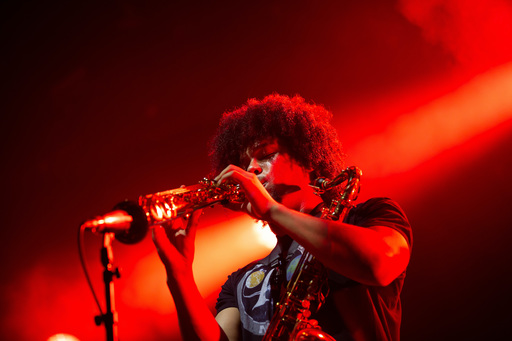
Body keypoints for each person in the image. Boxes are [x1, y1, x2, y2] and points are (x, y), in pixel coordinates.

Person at [152, 94, 412, 341]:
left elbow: (380, 264)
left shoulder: (369, 216)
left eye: (265, 155)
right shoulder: (239, 280)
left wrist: (272, 209)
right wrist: (180, 274)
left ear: (307, 158)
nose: (251, 169)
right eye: (244, 165)